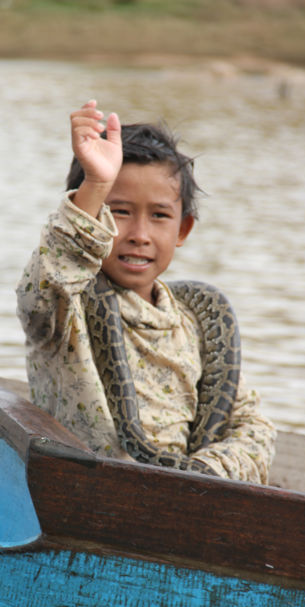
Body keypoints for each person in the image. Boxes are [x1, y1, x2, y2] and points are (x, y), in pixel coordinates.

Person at [17, 100, 276, 483]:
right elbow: (47, 281)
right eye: (118, 211)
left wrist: (205, 473)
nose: (139, 235)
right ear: (92, 219)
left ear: (183, 230)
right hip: (85, 490)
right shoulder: (64, 308)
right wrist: (96, 185)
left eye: (159, 215)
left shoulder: (197, 323)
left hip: (185, 496)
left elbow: (251, 425)